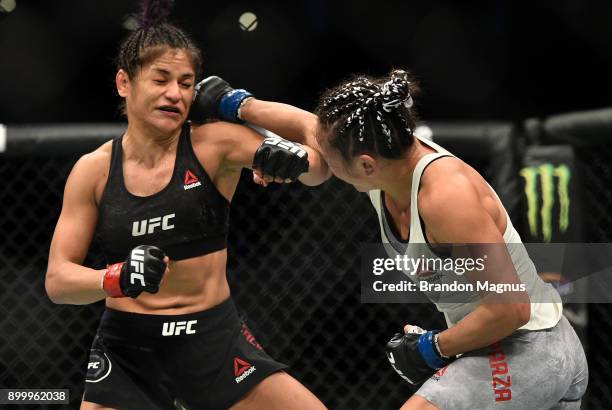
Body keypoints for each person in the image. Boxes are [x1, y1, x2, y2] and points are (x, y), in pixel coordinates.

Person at [192, 70, 589, 409]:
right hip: (496, 346)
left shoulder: (445, 198)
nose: (323, 163)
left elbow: (512, 308)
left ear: (365, 165)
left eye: (331, 161)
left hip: (533, 345)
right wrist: (232, 102)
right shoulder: (382, 163)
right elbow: (307, 128)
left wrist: (434, 347)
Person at [44, 2, 329, 409]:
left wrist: (241, 105)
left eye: (186, 82)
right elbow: (58, 282)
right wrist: (116, 277)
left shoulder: (215, 144)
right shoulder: (94, 170)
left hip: (213, 342)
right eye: (161, 79)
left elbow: (319, 165)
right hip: (130, 353)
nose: (174, 93)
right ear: (124, 82)